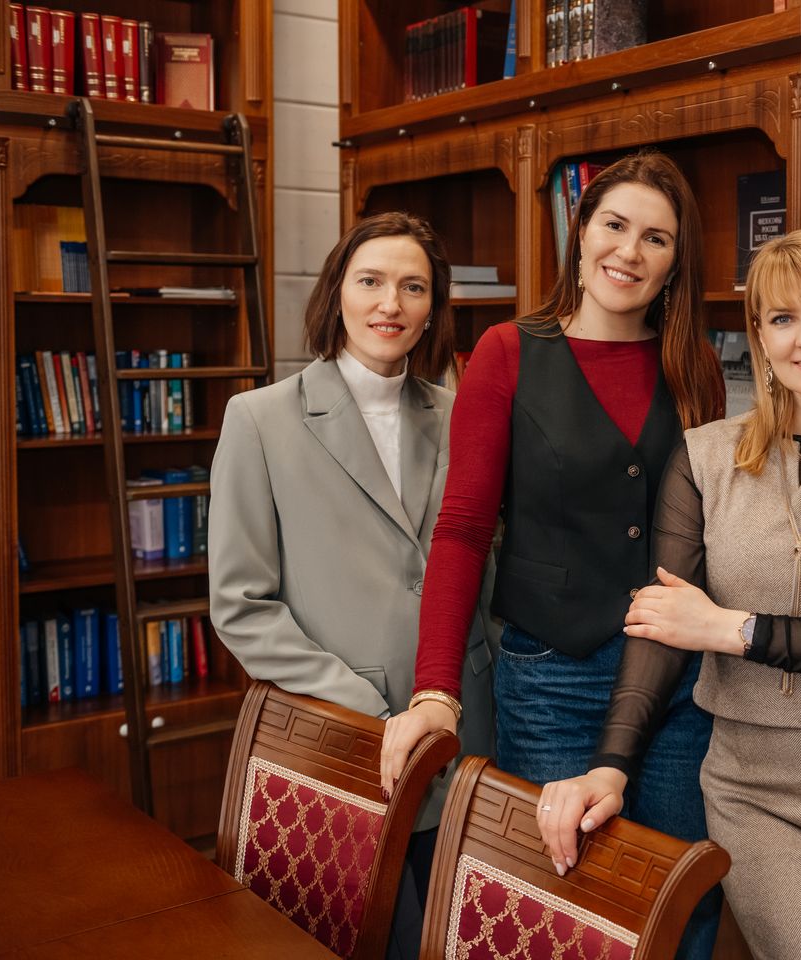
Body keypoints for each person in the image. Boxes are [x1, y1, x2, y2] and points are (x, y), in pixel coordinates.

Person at [537, 227, 801, 959]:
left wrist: (732, 629)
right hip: (757, 794)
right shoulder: (702, 457)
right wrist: (610, 765)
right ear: (760, 337)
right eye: (782, 318)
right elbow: (663, 624)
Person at [378, 151, 724, 957]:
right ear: (581, 232)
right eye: (614, 226)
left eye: (656, 238)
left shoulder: (695, 366)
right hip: (552, 681)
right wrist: (435, 690)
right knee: (561, 908)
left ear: (677, 262)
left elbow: (706, 528)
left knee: (681, 905)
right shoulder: (508, 351)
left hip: (676, 688)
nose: (629, 251)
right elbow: (463, 528)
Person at [208, 211, 497, 960]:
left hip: (465, 727)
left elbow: (485, 562)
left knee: (460, 938)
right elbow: (241, 605)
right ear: (337, 292)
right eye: (371, 281)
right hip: (347, 736)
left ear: (433, 308)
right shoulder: (259, 419)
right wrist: (364, 705)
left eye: (413, 287)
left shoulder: (461, 412)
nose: (390, 304)